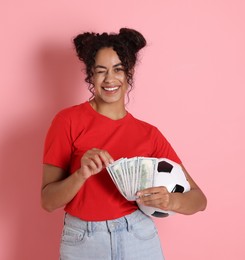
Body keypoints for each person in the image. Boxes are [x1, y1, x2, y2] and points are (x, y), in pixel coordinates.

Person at [41, 28, 207, 260]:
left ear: (129, 72)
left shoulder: (149, 134)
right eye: (101, 71)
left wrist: (171, 200)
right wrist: (80, 174)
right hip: (83, 241)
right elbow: (48, 201)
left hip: (138, 237)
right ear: (91, 75)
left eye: (118, 69)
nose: (110, 79)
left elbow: (199, 200)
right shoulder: (67, 121)